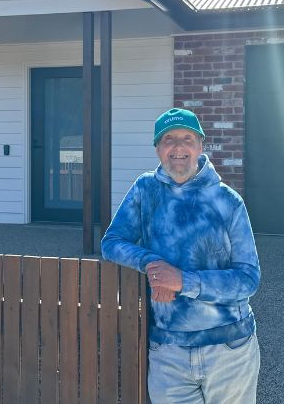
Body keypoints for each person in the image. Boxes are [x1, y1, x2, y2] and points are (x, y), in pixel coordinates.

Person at [101, 108, 261, 403]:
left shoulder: (228, 202)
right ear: (158, 149)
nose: (178, 147)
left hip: (229, 348)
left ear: (200, 146)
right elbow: (112, 242)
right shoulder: (145, 190)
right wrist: (153, 264)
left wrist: (182, 281)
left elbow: (248, 279)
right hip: (168, 350)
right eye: (168, 139)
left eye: (187, 138)